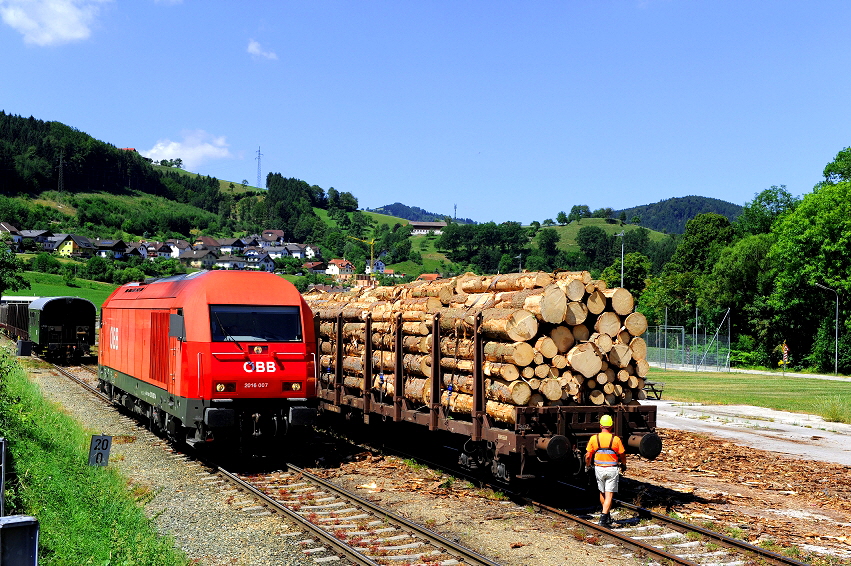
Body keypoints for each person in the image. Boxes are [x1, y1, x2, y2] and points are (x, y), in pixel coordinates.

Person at [585, 414, 626, 527]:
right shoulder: (616, 439)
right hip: (612, 469)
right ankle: (603, 520)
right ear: (611, 426)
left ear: (600, 426)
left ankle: (607, 516)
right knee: (609, 495)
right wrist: (624, 464)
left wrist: (587, 465)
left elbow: (588, 455)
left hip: (598, 469)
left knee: (602, 492)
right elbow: (622, 455)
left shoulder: (594, 438)